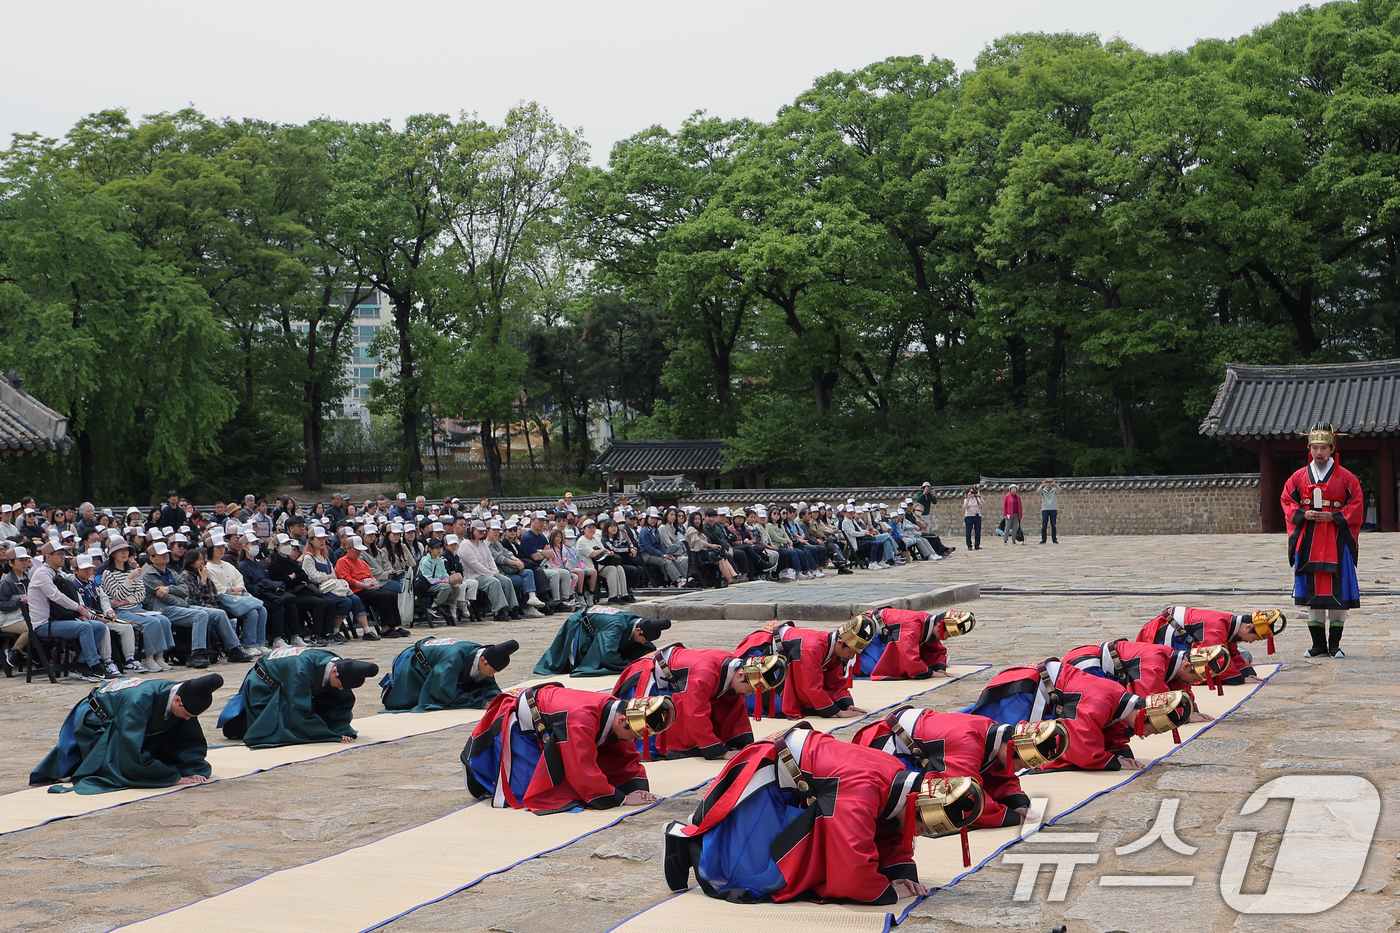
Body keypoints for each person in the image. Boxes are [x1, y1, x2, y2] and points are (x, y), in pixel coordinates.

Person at [662, 723, 983, 904]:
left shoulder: (897, 775)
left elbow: (885, 826)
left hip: (796, 781)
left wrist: (899, 873)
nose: (921, 834)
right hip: (765, 783)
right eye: (924, 828)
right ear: (918, 804)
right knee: (763, 878)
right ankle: (685, 841)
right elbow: (853, 860)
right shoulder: (862, 790)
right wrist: (884, 890)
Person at [464, 687, 677, 813]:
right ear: (622, 719)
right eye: (634, 734)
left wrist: (636, 788)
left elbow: (625, 757)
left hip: (553, 723)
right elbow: (580, 767)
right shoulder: (581, 720)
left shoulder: (617, 711)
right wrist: (620, 798)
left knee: (603, 767)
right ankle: (476, 771)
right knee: (526, 794)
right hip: (523, 728)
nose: (633, 740)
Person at [853, 707, 1069, 827]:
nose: (1017, 768)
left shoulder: (994, 734)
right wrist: (1009, 816)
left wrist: (1018, 802)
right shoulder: (968, 742)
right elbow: (962, 794)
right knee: (934, 809)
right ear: (1012, 746)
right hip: (885, 745)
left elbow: (1001, 775)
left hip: (912, 741)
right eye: (1019, 762)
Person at [966, 659, 1193, 771]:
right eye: (1154, 728)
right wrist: (1112, 762)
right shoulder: (1102, 701)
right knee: (990, 742)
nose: (1151, 734)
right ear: (1145, 715)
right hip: (1023, 690)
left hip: (1038, 685)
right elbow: (1081, 743)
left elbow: (1108, 729)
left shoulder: (1118, 699)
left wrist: (1118, 753)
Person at [30, 673, 224, 794]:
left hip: (125, 715)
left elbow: (189, 738)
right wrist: (171, 777)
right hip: (96, 718)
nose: (189, 718)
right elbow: (128, 746)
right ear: (177, 700)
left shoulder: (183, 699)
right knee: (117, 762)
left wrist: (193, 768)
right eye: (187, 713)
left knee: (178, 729)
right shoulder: (140, 701)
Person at [614, 646, 786, 759]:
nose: (749, 694)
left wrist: (743, 744)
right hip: (646, 679)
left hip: (676, 677)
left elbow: (733, 708)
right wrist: (720, 752)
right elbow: (694, 713)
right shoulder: (704, 674)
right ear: (741, 675)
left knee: (730, 701)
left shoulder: (730, 665)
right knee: (687, 708)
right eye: (750, 689)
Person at [1282, 424, 1364, 658]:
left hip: (1336, 539)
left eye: (1324, 447)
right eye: (1315, 447)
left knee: (1340, 596)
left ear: (1332, 449)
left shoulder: (1346, 477)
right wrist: (1303, 514)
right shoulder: (1298, 477)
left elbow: (1357, 503)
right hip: (1309, 539)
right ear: (1309, 448)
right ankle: (1318, 645)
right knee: (1312, 596)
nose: (1319, 452)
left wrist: (1335, 515)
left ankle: (1335, 645)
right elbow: (1287, 500)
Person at [216, 646, 379, 747]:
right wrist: (330, 735)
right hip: (264, 685)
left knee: (334, 696)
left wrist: (341, 729)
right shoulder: (301, 668)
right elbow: (298, 709)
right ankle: (235, 724)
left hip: (289, 682)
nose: (342, 689)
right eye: (341, 684)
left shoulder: (336, 664)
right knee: (272, 726)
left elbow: (341, 700)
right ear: (335, 671)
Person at [732, 616, 875, 719]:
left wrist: (846, 705)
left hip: (783, 658)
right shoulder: (812, 649)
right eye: (851, 652)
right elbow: (809, 686)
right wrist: (837, 712)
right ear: (839, 642)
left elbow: (835, 681)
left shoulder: (834, 651)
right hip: (762, 654)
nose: (851, 657)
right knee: (781, 704)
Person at [1136, 605, 1284, 685]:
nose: (1251, 641)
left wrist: (1246, 672)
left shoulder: (1228, 623)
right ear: (1248, 626)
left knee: (1244, 656)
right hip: (1158, 637)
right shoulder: (1217, 625)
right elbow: (1211, 656)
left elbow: (1231, 651)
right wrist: (1238, 678)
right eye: (1254, 638)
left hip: (1176, 637)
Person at [30, 541, 113, 681]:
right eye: (59, 554)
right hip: (44, 624)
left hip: (60, 619)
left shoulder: (58, 573)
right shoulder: (41, 574)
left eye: (64, 554)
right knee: (84, 627)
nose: (63, 557)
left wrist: (86, 613)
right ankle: (95, 667)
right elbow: (57, 596)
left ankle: (79, 665)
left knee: (99, 627)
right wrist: (79, 609)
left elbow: (74, 588)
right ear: (48, 557)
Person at [380, 637, 516, 712]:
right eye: (492, 671)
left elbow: (489, 686)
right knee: (407, 701)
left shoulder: (482, 654)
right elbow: (443, 690)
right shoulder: (454, 657)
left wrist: (499, 698)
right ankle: (391, 687)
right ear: (482, 660)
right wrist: (479, 703)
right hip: (412, 663)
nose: (492, 676)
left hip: (435, 663)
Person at [534, 607, 671, 677]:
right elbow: (608, 653)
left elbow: (647, 648)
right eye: (644, 639)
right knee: (574, 663)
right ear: (638, 630)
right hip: (580, 626)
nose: (643, 642)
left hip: (599, 625)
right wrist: (627, 665)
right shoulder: (615, 626)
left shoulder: (638, 620)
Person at [854, 608, 976, 680]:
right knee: (877, 666)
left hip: (884, 636)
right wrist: (931, 673)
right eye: (947, 635)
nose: (946, 639)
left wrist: (939, 669)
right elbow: (908, 658)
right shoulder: (913, 626)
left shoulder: (928, 623)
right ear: (939, 626)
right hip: (866, 634)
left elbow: (935, 650)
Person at [1037, 478, 1060, 544]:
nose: (1049, 484)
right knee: (1044, 525)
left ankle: (1054, 539)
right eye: (1047, 483)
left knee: (1053, 524)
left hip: (1053, 509)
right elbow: (1038, 492)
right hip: (1045, 509)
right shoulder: (1043, 490)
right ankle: (1044, 538)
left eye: (1050, 483)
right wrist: (1042, 486)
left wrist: (1055, 485)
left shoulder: (1054, 490)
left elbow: (1059, 490)